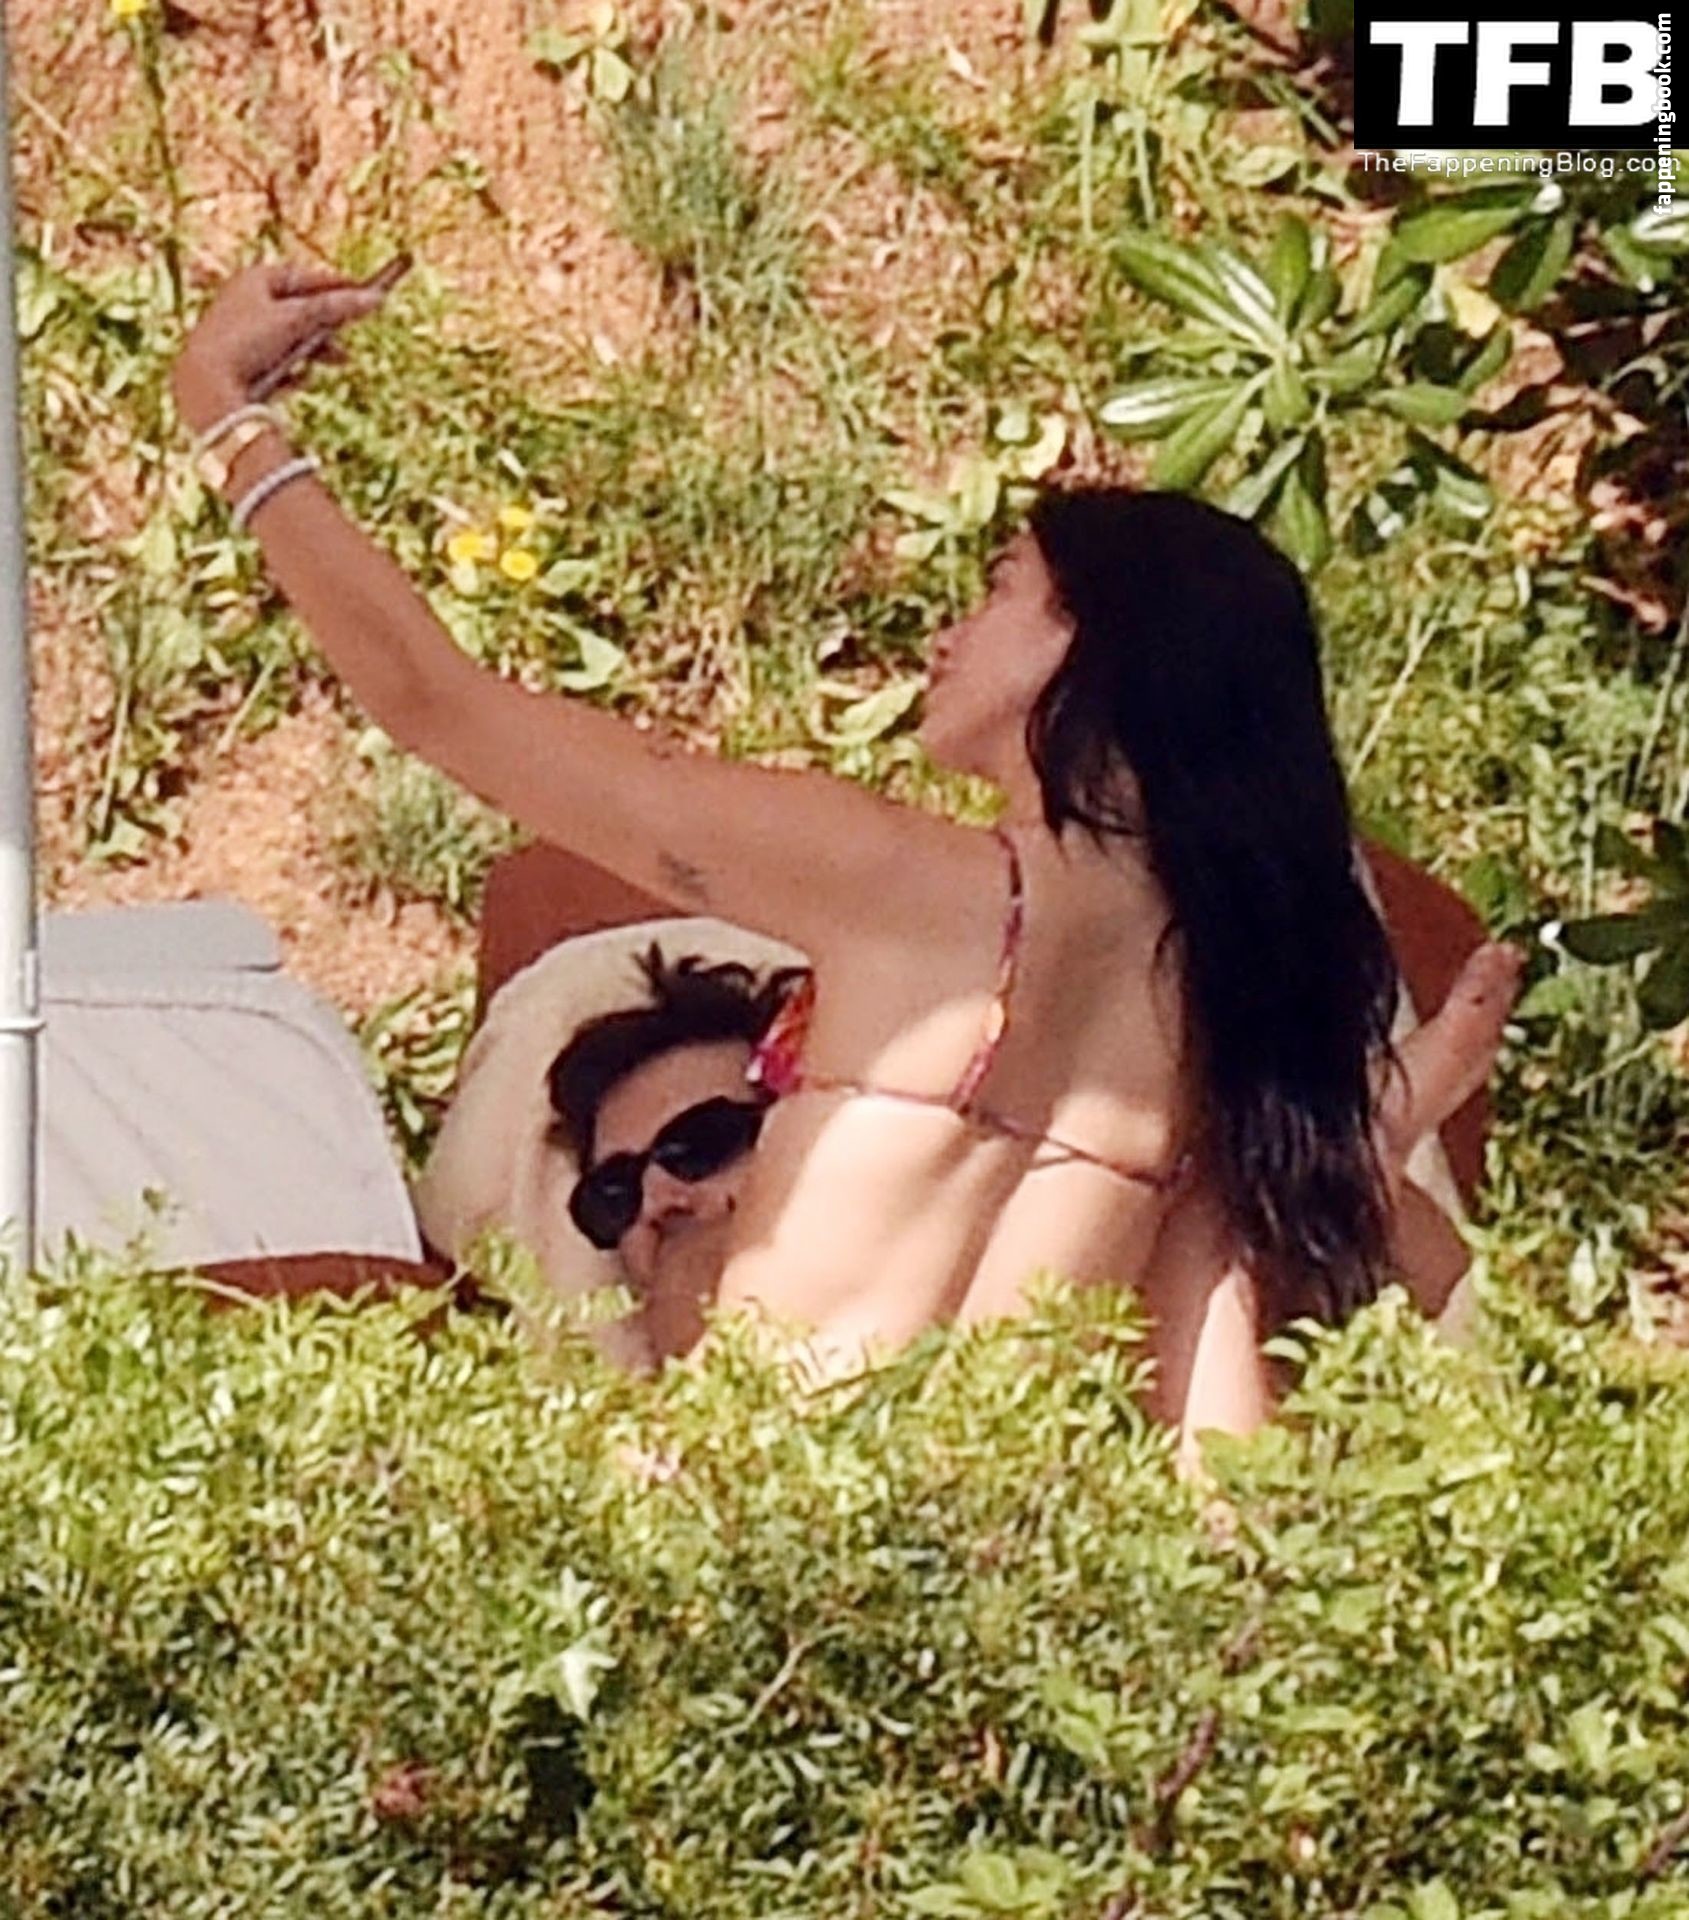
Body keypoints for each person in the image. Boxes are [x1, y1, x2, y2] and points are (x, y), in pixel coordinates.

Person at [172, 263, 1520, 1461]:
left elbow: (437, 701)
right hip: (977, 1601)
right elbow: (1209, 1437)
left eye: (1000, 586)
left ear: (1090, 641)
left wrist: (228, 419)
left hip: (749, 1533)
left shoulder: (907, 884)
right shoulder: (1208, 1027)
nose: (949, 631)